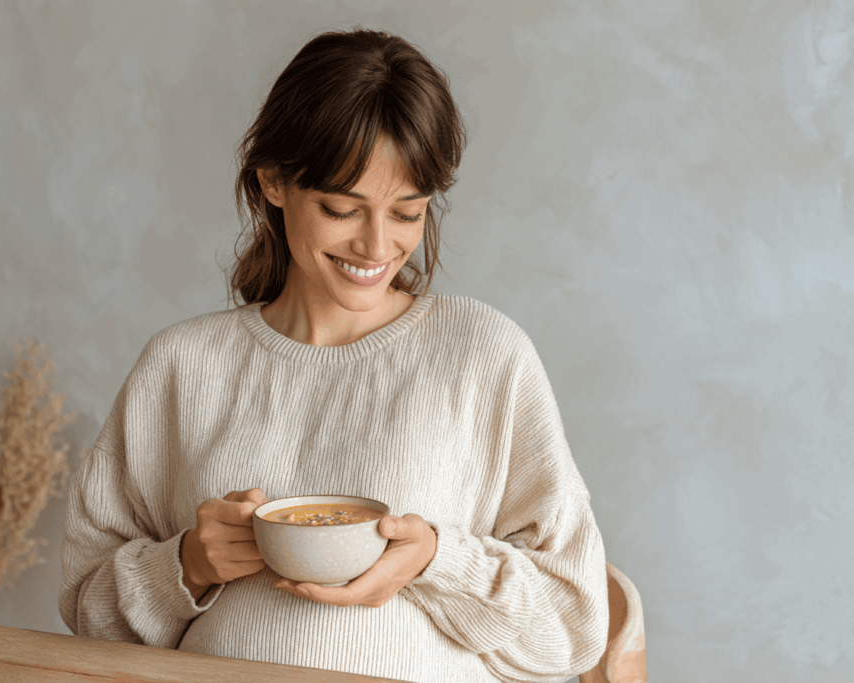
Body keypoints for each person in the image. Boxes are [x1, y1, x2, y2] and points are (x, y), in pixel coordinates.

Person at [59, 26, 609, 683]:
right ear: (273, 181)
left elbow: (574, 626)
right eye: (343, 209)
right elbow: (87, 610)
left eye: (407, 213)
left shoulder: (483, 356)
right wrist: (186, 564)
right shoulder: (181, 365)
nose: (377, 246)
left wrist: (438, 560)